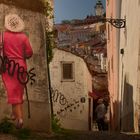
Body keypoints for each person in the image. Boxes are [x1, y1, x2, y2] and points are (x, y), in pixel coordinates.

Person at [1, 14, 33, 128]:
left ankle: (19, 119)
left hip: (8, 67)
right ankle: (15, 114)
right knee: (18, 92)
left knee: (12, 92)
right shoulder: (23, 37)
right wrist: (21, 55)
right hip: (20, 66)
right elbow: (29, 53)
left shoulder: (3, 36)